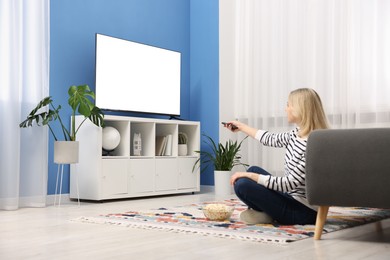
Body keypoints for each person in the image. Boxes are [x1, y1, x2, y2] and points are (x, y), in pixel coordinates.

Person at [224, 88, 329, 225]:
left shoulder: (313, 145)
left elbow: (288, 183)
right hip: (291, 198)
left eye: (288, 105)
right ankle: (266, 213)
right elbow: (269, 138)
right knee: (253, 170)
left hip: (302, 212)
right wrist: (241, 127)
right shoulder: (297, 133)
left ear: (300, 109)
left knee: (242, 184)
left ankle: (266, 214)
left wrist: (249, 177)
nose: (286, 109)